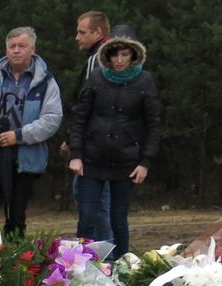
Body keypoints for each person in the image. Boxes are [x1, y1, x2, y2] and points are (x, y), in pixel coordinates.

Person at [68, 27, 160, 259]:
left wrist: (145, 162)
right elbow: (80, 117)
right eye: (115, 54)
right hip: (91, 159)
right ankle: (82, 266)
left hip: (126, 161)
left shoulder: (145, 81)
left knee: (118, 219)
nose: (119, 60)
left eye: (125, 54)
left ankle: (121, 267)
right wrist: (76, 154)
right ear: (107, 55)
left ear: (134, 55)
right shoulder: (96, 77)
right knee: (86, 218)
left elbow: (153, 125)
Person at [0, 27, 63, 237]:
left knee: (17, 218)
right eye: (12, 46)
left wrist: (19, 136)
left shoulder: (46, 82)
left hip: (24, 159)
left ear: (32, 49)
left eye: (22, 46)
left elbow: (52, 119)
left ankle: (17, 256)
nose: (16, 50)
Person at [64, 11, 113, 242]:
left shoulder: (98, 59)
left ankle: (100, 253)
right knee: (95, 199)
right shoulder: (105, 56)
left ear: (97, 32)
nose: (77, 37)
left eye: (82, 32)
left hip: (94, 143)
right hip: (104, 141)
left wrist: (74, 141)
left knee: (93, 201)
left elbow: (85, 104)